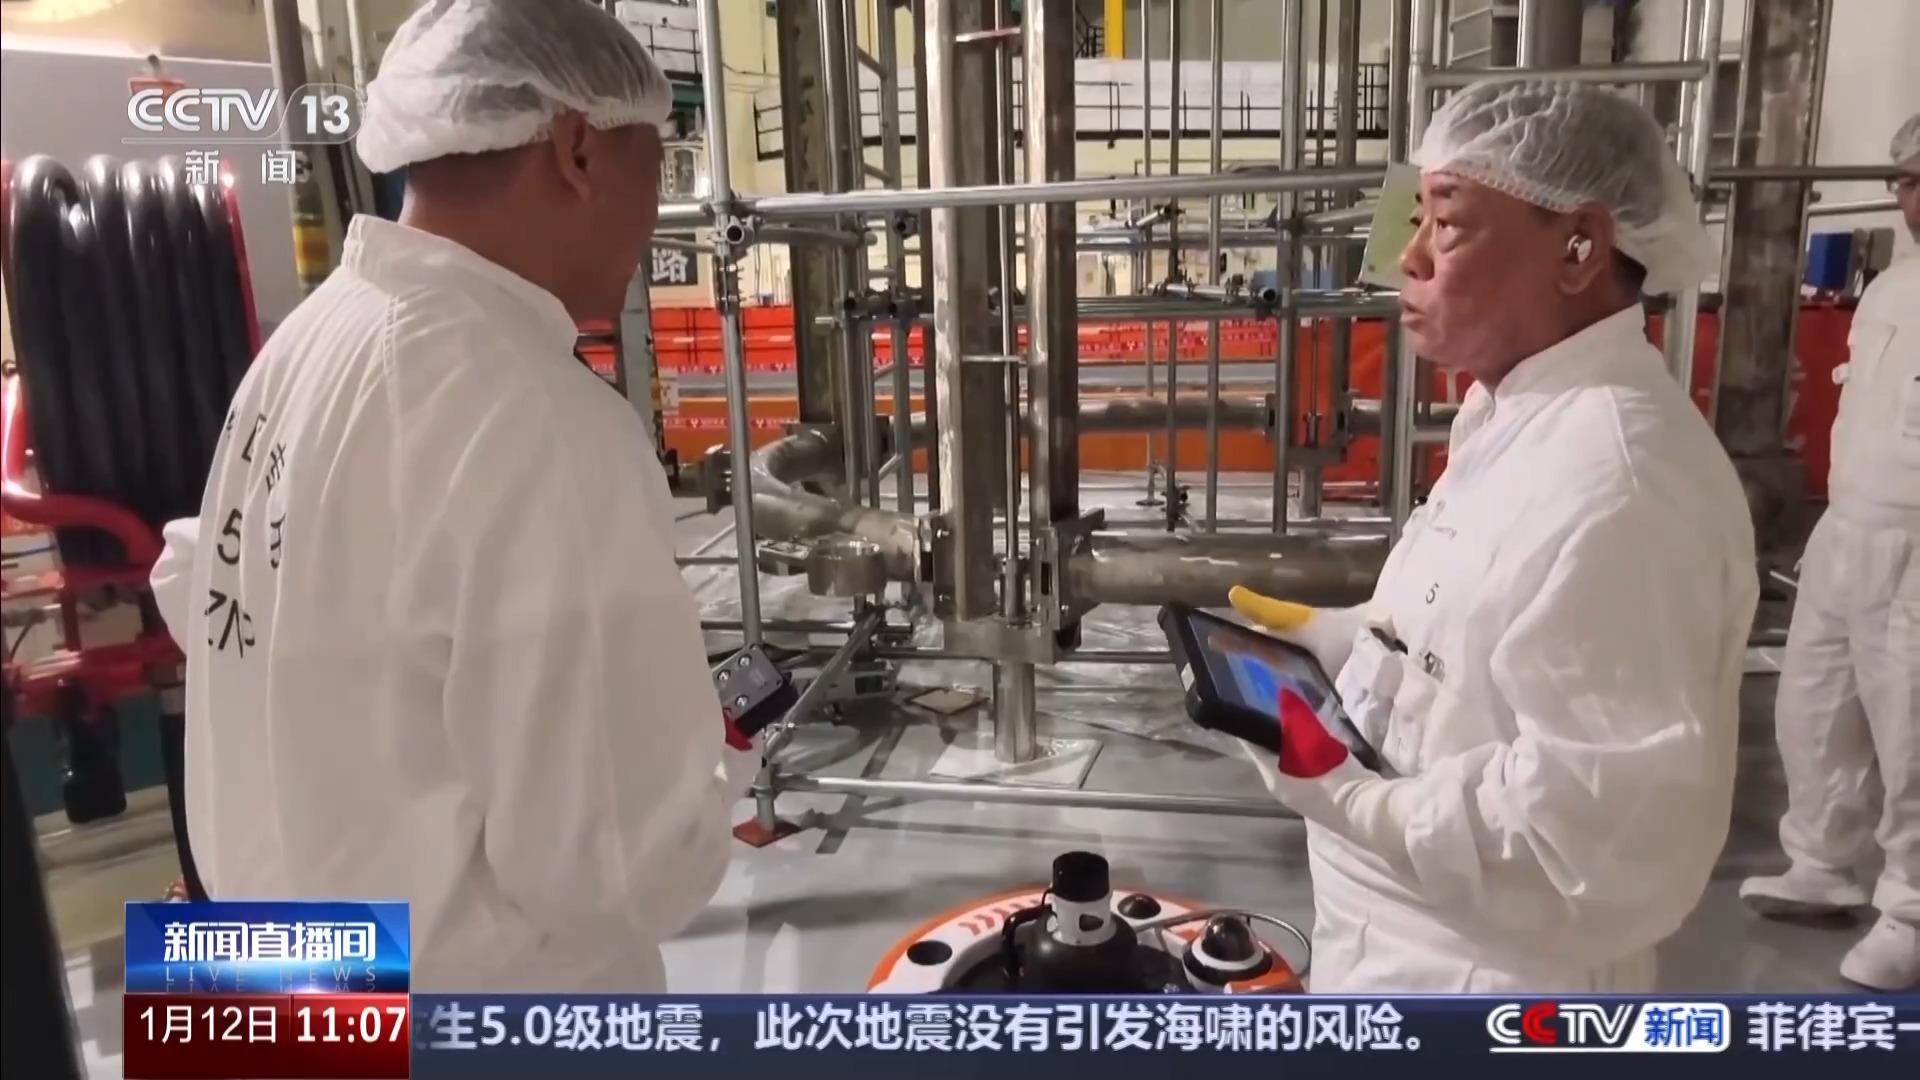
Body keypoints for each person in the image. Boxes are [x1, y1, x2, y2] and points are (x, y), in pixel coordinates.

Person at [149, 0, 756, 991]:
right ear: (578, 149)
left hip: (269, 986)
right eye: (661, 162)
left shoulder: (306, 347)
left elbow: (194, 585)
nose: (657, 216)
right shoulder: (538, 416)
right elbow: (614, 864)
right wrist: (715, 771)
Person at [1227, 79, 1758, 992]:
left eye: (1447, 224)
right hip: (1401, 951)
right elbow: (1478, 642)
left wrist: (1356, 800)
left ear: (1580, 246)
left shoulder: (1621, 485)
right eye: (1413, 221)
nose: (1408, 259)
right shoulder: (1515, 413)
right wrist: (1350, 640)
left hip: (1493, 989)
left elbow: (1590, 840)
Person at [1739, 113, 1920, 991]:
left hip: (1917, 544)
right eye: (1908, 182)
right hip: (1848, 525)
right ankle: (1822, 860)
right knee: (1814, 708)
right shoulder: (1890, 289)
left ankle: (1912, 908)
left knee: (1911, 732)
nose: (1913, 198)